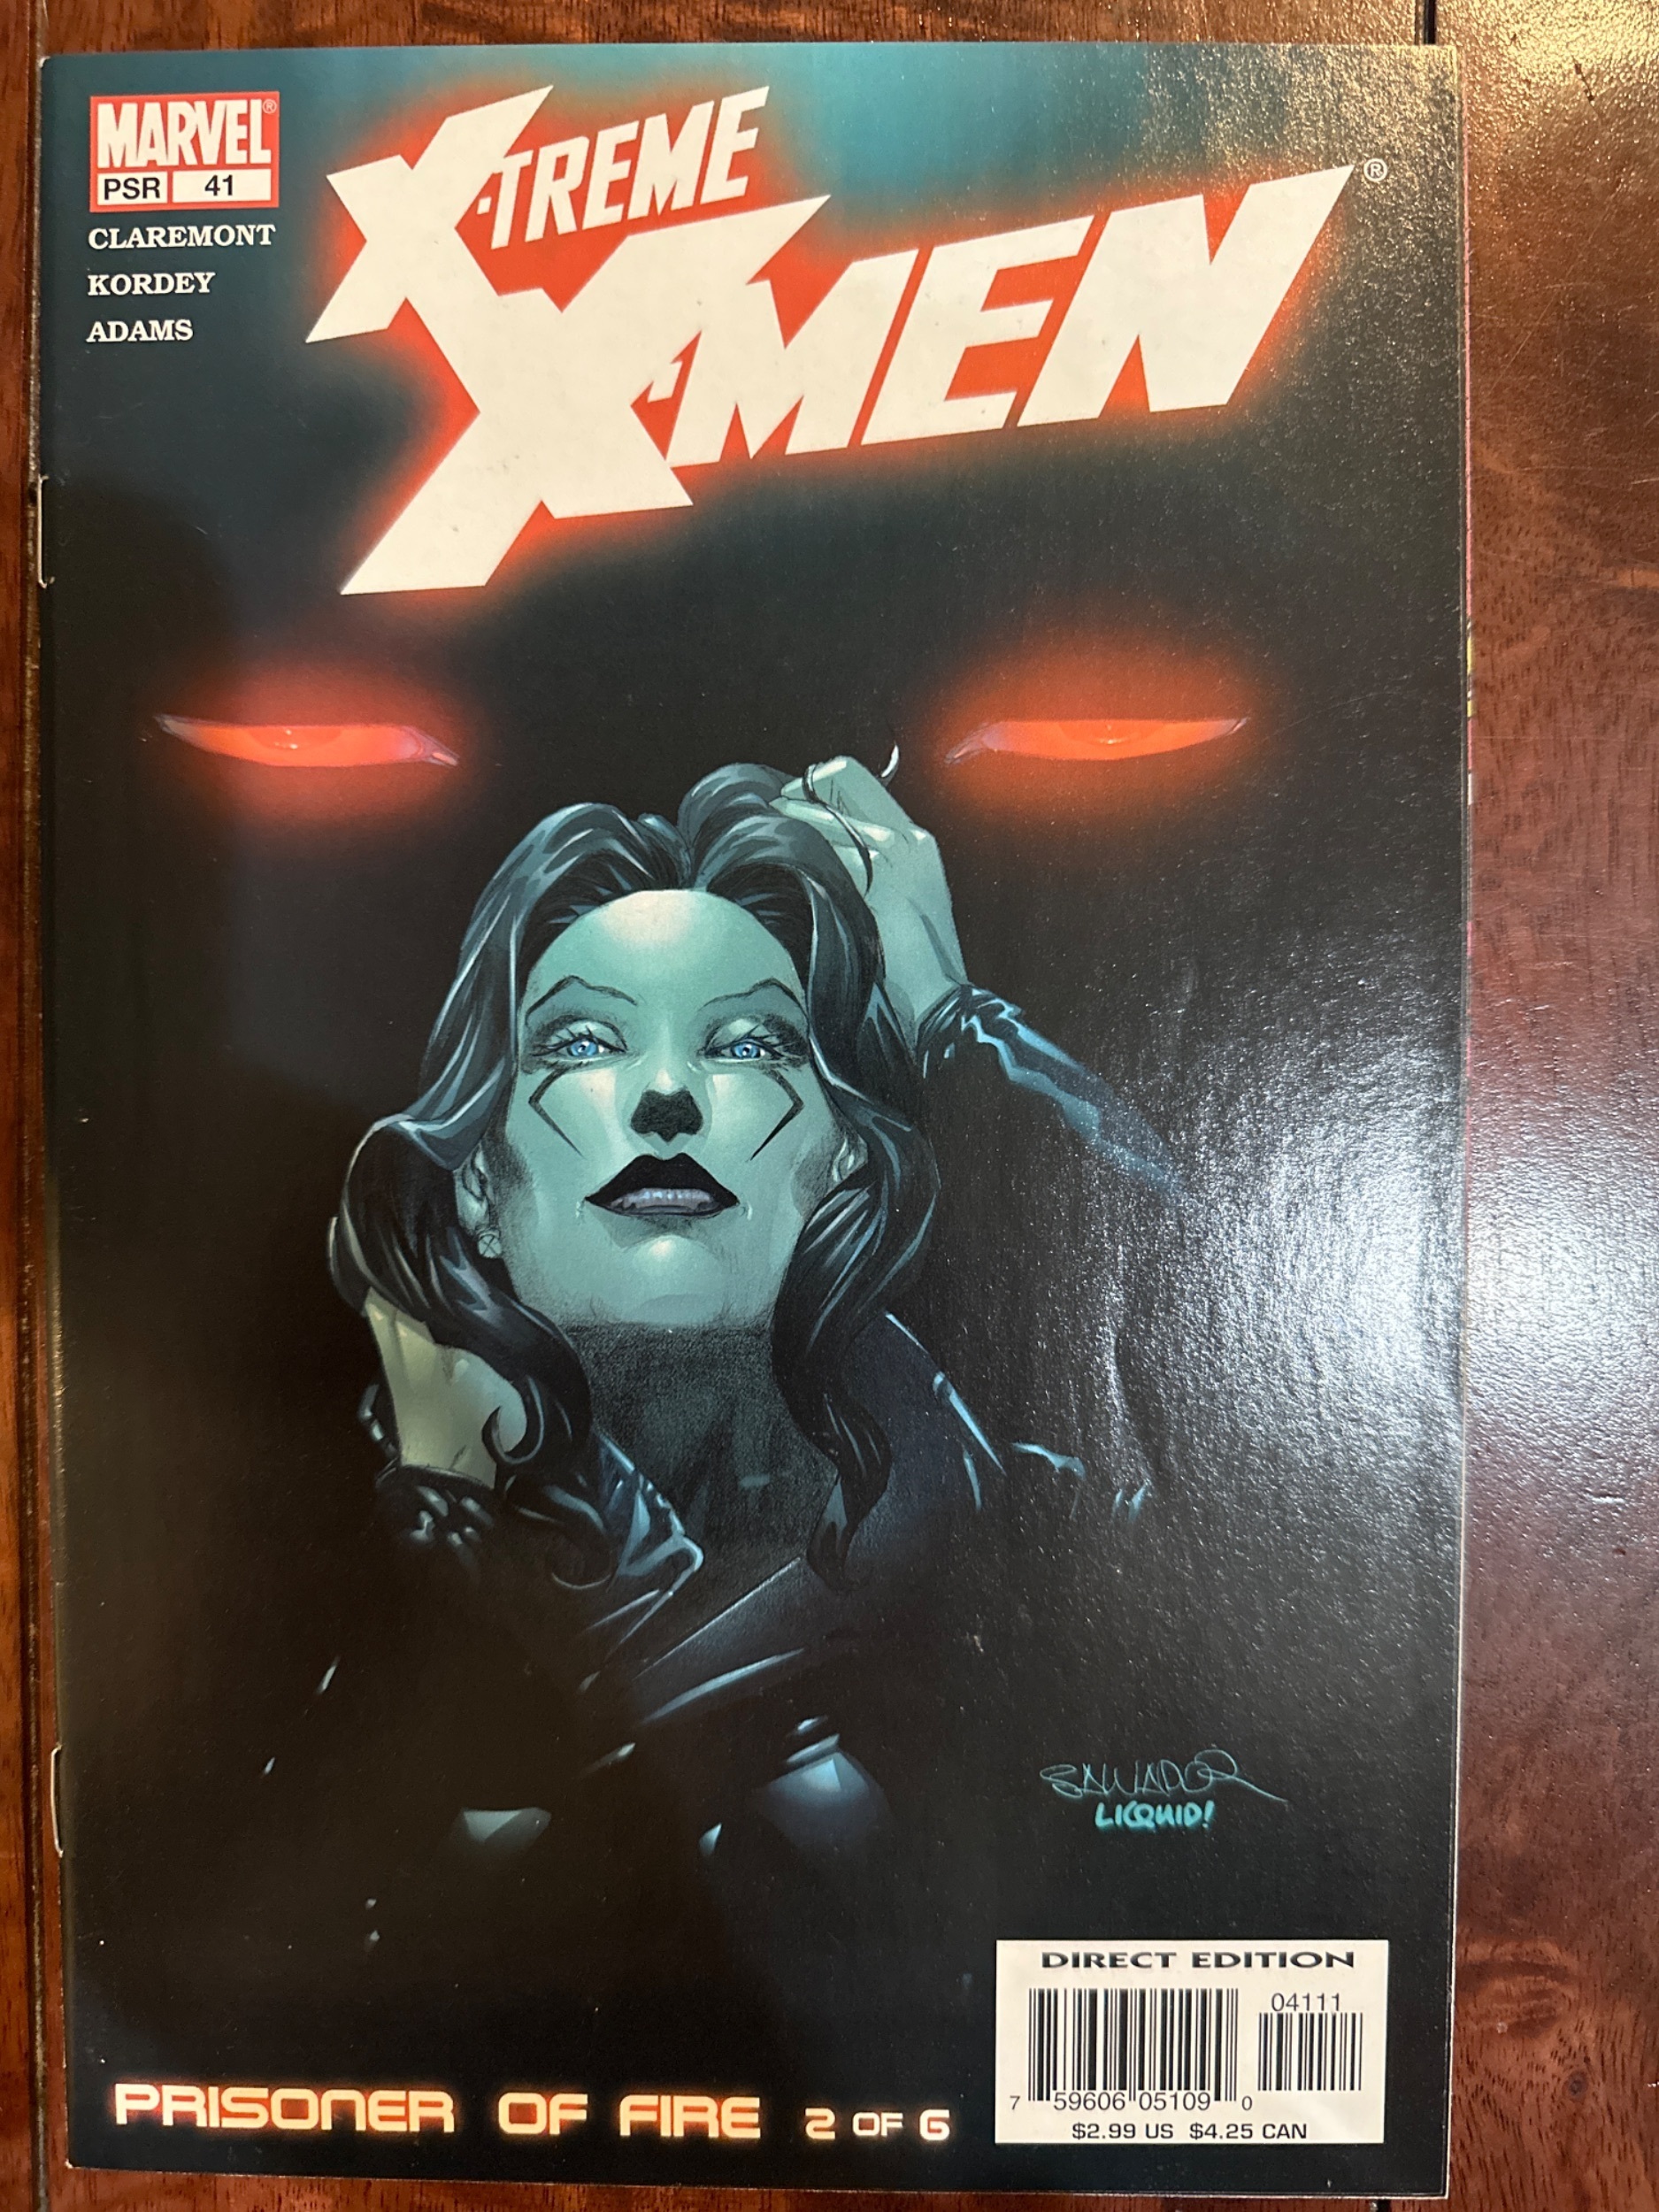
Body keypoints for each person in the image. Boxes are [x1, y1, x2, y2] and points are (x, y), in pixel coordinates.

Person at [250, 757, 1174, 2086]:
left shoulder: (1011, 1534)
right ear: (480, 1190)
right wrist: (455, 1536)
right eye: (584, 1043)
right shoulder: (339, 1572)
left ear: (839, 1162)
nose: (668, 1098)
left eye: (747, 1045)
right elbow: (282, 1967)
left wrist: (950, 1015)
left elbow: (1233, 1359)